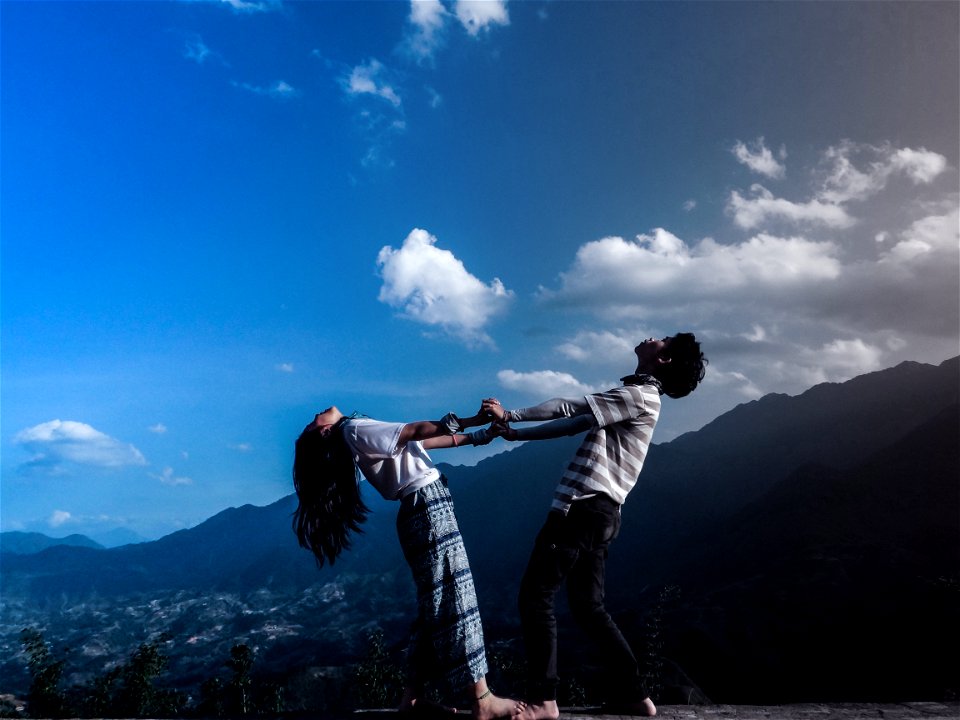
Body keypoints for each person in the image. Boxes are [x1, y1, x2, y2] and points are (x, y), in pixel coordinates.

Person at [482, 334, 707, 720]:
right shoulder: (637, 396)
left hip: (581, 508)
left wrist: (510, 415)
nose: (653, 337)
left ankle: (543, 700)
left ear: (664, 359)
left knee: (535, 597)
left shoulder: (638, 396)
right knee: (588, 607)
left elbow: (568, 406)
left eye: (663, 340)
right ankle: (635, 696)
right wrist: (515, 433)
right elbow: (576, 423)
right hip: (603, 512)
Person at [293, 406, 522, 720]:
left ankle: (412, 700)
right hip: (427, 505)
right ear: (322, 432)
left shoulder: (355, 433)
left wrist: (479, 436)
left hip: (424, 505)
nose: (315, 413)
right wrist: (471, 420)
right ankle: (481, 699)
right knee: (455, 598)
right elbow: (414, 432)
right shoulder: (354, 429)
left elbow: (422, 443)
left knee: (434, 606)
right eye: (311, 421)